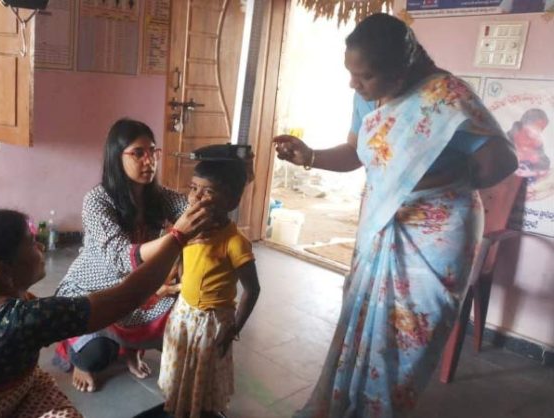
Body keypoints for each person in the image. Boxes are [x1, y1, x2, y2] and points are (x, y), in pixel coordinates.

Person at [273, 13, 518, 418]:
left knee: (405, 349)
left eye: (364, 76)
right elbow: (357, 153)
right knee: (361, 327)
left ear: (401, 70)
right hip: (383, 225)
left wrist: (436, 174)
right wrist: (310, 156)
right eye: (351, 74)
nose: (354, 84)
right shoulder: (368, 96)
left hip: (436, 238)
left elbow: (503, 162)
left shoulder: (448, 97)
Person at [0, 207, 209, 417]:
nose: (40, 248)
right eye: (31, 244)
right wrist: (177, 237)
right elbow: (128, 296)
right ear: (4, 271)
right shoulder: (21, 319)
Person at [54, 118, 195, 393]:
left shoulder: (158, 196)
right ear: (116, 157)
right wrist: (176, 238)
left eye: (153, 151)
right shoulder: (97, 200)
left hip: (137, 290)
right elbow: (121, 256)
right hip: (93, 291)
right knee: (96, 356)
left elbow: (189, 210)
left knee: (183, 305)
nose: (149, 161)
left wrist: (208, 194)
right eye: (138, 153)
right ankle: (80, 356)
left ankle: (131, 348)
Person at [157, 158, 261, 418]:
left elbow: (252, 289)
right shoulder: (188, 230)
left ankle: (200, 410)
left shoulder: (236, 243)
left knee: (203, 373)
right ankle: (179, 405)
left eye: (208, 191)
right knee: (181, 367)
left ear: (231, 201)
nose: (196, 197)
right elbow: (178, 256)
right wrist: (170, 278)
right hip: (184, 314)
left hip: (212, 321)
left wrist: (234, 328)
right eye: (193, 188)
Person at [508, 108, 550, 180]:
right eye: (537, 127)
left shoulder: (537, 142)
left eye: (541, 129)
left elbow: (545, 163)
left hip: (526, 174)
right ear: (525, 124)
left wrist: (535, 160)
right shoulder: (510, 137)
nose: (539, 132)